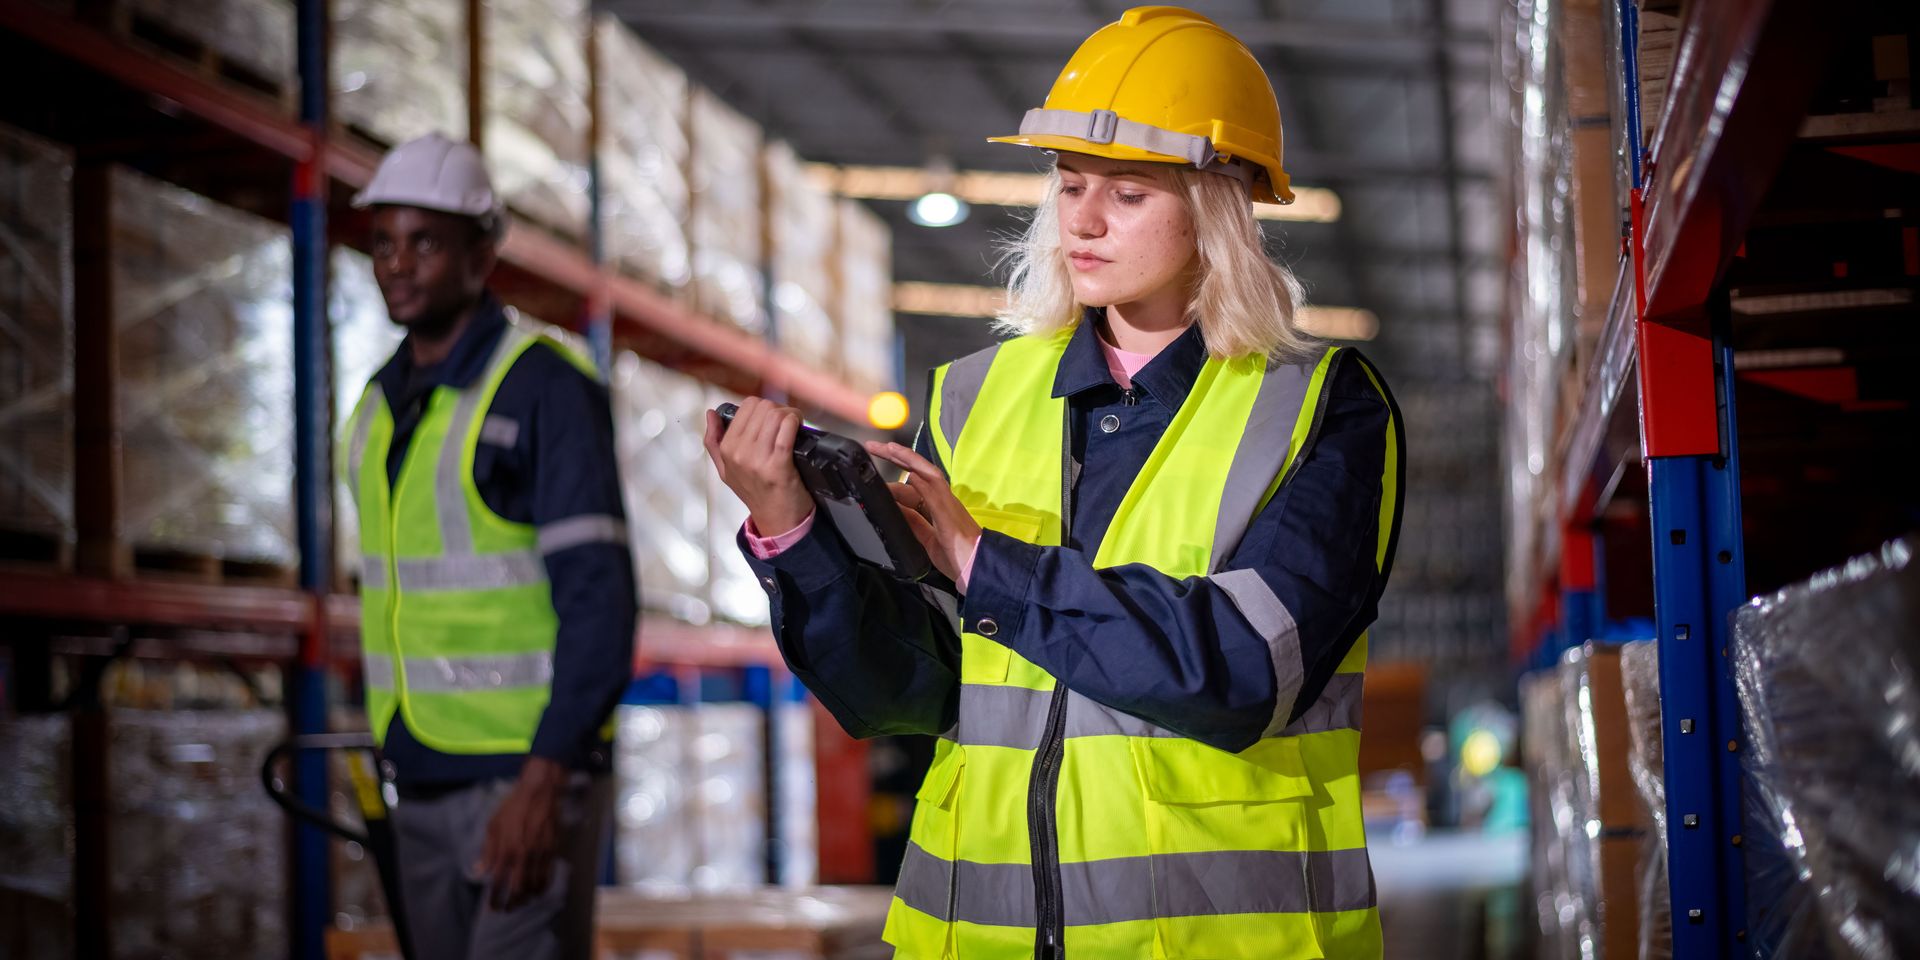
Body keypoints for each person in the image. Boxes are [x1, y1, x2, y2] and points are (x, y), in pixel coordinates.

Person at [707, 8, 1405, 958]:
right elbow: (913, 690)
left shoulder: (1318, 406)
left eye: (1126, 192)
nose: (1081, 219)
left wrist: (985, 562)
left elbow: (1246, 672)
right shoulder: (971, 399)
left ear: (1217, 203)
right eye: (1070, 185)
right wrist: (792, 531)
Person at [338, 133, 637, 960]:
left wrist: (546, 781)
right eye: (384, 244)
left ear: (483, 249)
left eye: (425, 243)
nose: (399, 264)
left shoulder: (545, 388)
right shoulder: (375, 407)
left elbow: (600, 603)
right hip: (418, 775)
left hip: (522, 781)